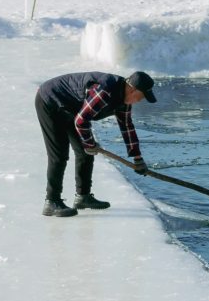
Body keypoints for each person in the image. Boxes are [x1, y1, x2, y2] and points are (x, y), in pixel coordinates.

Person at [35, 71, 156, 217]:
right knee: (59, 155)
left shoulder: (124, 101)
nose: (140, 101)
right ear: (132, 89)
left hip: (72, 109)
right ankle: (51, 201)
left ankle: (83, 197)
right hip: (50, 101)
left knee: (85, 152)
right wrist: (89, 143)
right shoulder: (106, 91)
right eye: (141, 97)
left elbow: (127, 127)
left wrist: (138, 158)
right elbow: (81, 121)